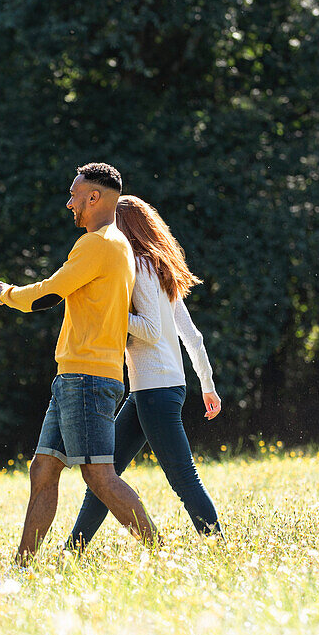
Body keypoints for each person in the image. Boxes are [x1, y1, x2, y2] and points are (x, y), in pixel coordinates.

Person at [0, 163, 159, 563]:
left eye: (74, 196)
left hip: (85, 376)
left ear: (94, 197)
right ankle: (23, 564)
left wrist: (7, 294)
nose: (69, 204)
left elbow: (49, 293)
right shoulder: (118, 244)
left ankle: (159, 550)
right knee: (44, 469)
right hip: (78, 375)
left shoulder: (97, 244)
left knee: (99, 475)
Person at [67, 195, 222, 549]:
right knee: (104, 477)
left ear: (125, 226)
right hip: (155, 389)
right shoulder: (160, 267)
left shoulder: (139, 266)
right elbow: (193, 337)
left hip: (155, 391)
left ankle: (218, 546)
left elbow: (150, 329)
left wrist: (109, 314)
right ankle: (72, 549)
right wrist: (207, 386)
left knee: (183, 479)